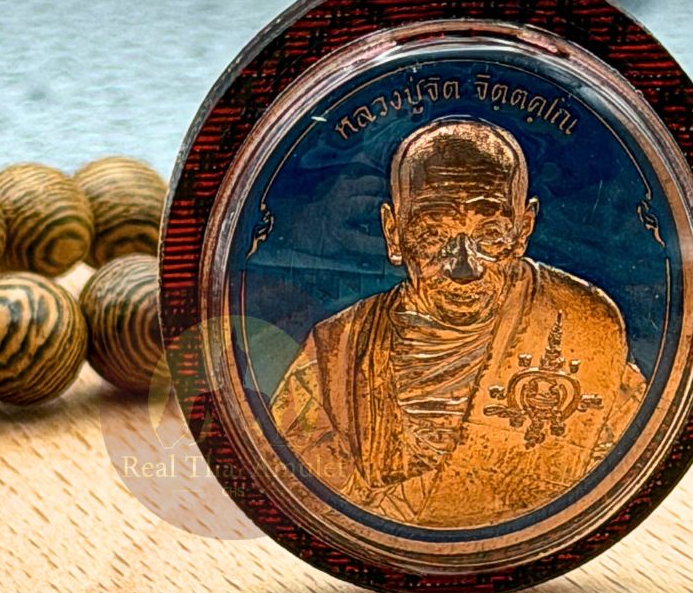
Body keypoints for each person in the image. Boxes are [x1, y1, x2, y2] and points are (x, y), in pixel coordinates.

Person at [269, 118, 646, 526]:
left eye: (489, 235)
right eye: (433, 235)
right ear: (394, 234)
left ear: (523, 230)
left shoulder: (582, 326)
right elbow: (295, 486)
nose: (464, 267)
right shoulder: (334, 354)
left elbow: (625, 463)